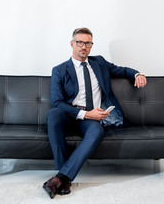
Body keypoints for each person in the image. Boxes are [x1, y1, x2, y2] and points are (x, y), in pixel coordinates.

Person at [42, 27, 147, 198]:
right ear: (72, 44)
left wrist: (138, 74)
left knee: (97, 130)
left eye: (88, 43)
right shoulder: (59, 70)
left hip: (92, 119)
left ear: (91, 45)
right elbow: (57, 102)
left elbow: (122, 70)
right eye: (80, 42)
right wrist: (85, 114)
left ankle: (60, 179)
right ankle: (63, 175)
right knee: (53, 114)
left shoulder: (99, 63)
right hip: (69, 116)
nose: (84, 46)